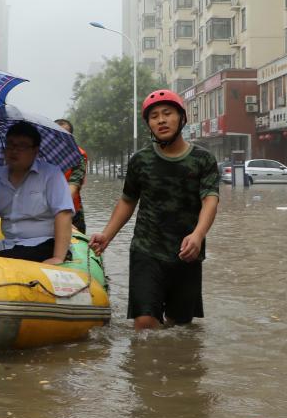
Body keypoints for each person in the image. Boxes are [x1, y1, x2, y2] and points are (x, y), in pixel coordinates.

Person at [89, 89, 220, 331]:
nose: (161, 120)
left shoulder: (203, 159)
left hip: (187, 251)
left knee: (179, 326)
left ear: (181, 118)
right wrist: (107, 235)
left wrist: (198, 235)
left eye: (167, 113)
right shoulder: (140, 160)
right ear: (148, 124)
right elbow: (128, 200)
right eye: (154, 116)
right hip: (146, 250)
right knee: (145, 322)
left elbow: (210, 199)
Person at [0, 121, 74, 264]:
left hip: (44, 243)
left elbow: (64, 213)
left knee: (5, 259)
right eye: (10, 144)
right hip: (9, 244)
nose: (14, 150)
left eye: (22, 146)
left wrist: (58, 257)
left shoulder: (51, 175)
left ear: (35, 150)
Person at [55, 118, 89, 234]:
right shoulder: (44, 155)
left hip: (72, 209)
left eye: (64, 134)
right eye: (57, 134)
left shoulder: (78, 156)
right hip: (45, 210)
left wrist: (61, 218)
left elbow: (73, 187)